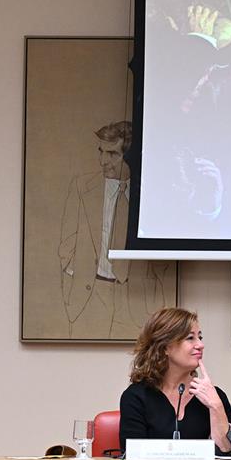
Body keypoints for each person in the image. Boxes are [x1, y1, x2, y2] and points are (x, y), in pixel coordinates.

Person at [58, 121, 173, 339]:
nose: (103, 161)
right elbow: (67, 242)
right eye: (101, 151)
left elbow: (163, 254)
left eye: (112, 154)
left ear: (129, 157)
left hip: (138, 299)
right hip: (90, 295)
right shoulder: (82, 187)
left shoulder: (152, 195)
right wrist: (71, 275)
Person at [119, 307, 231, 456]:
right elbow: (132, 457)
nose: (200, 345)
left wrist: (216, 407)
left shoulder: (214, 396)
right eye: (190, 338)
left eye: (200, 337)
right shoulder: (136, 397)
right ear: (165, 347)